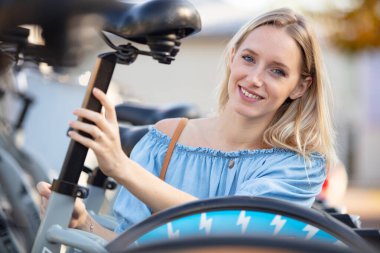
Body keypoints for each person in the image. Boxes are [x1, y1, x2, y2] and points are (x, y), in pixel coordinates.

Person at [37, 7, 337, 241]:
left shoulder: (300, 167)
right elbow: (126, 243)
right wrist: (82, 223)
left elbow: (232, 227)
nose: (255, 78)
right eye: (248, 58)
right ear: (232, 57)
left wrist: (121, 166)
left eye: (277, 71)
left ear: (300, 86)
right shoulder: (164, 140)